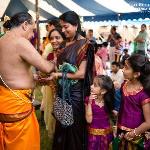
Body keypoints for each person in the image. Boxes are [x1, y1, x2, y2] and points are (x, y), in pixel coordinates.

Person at [0, 12, 55, 150]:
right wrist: (57, 60)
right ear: (25, 25)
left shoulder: (2, 39)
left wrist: (32, 78)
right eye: (33, 31)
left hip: (5, 101)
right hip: (17, 106)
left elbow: (12, 70)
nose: (32, 36)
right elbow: (46, 67)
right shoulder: (20, 42)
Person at [49, 11, 95, 150]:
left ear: (76, 25)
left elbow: (81, 74)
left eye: (66, 26)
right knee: (61, 126)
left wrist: (57, 75)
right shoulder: (66, 43)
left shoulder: (85, 45)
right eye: (61, 27)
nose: (63, 30)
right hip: (62, 92)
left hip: (75, 96)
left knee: (73, 130)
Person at [117, 54, 150, 149]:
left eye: (126, 68)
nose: (122, 70)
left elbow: (148, 122)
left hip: (136, 135)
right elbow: (122, 108)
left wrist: (133, 133)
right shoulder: (124, 85)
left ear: (136, 74)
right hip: (121, 131)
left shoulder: (143, 94)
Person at [41, 28, 65, 141]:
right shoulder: (51, 54)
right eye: (51, 38)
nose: (54, 41)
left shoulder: (67, 53)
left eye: (57, 37)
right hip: (53, 90)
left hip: (66, 93)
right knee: (53, 114)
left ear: (63, 38)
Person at [85, 75, 115, 150]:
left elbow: (110, 117)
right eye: (92, 84)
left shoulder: (108, 102)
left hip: (107, 135)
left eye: (94, 85)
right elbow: (89, 120)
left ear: (103, 91)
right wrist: (89, 102)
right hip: (93, 136)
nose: (91, 86)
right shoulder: (88, 100)